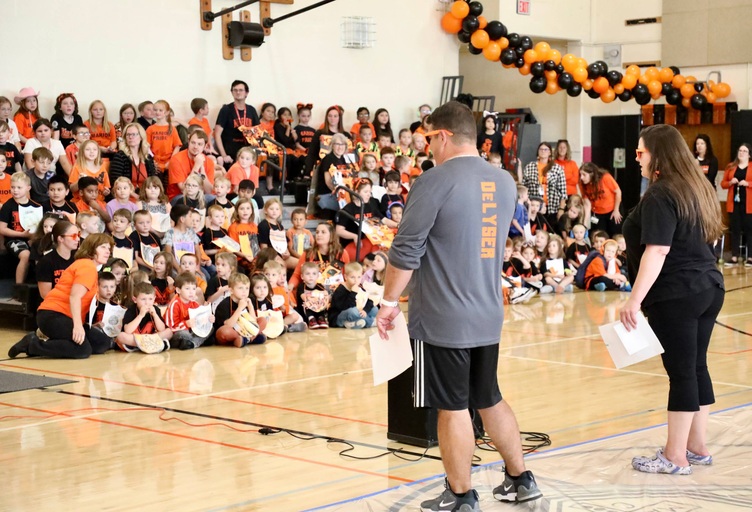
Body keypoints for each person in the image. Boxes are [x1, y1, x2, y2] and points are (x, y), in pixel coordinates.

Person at [376, 101, 542, 510]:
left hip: (445, 316)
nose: (426, 145)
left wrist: (387, 301)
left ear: (444, 136)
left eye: (429, 137)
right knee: (489, 397)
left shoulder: (433, 181)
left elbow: (406, 250)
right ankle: (521, 479)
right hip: (487, 310)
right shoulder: (503, 181)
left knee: (451, 407)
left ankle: (461, 494)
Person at [621, 124, 724, 475]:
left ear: (658, 154)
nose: (637, 157)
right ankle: (696, 447)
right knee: (696, 367)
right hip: (709, 286)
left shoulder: (662, 193)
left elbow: (659, 249)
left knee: (681, 373)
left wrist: (633, 301)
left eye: (641, 151)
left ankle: (675, 456)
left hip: (677, 293)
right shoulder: (696, 188)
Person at [8, 233, 114, 359]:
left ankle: (59, 343)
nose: (107, 251)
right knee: (83, 350)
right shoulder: (87, 267)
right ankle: (32, 344)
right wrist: (79, 326)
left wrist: (86, 324)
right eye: (103, 247)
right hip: (54, 315)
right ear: (91, 248)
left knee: (101, 343)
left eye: (108, 248)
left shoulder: (87, 266)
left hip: (65, 317)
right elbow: (75, 297)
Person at [214, 80, 259, 168]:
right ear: (232, 92)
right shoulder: (226, 109)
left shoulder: (251, 110)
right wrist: (224, 155)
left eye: (241, 90)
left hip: (247, 150)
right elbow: (217, 134)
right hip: (230, 151)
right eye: (235, 90)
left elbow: (257, 132)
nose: (238, 92)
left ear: (246, 93)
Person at [720, 143, 752, 265]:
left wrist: (748, 183)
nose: (741, 153)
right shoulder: (731, 166)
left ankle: (750, 257)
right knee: (735, 229)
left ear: (749, 154)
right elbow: (723, 184)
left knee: (750, 229)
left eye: (744, 151)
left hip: (748, 204)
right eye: (740, 150)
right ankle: (734, 256)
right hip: (734, 203)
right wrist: (730, 182)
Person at [521, 142, 566, 225]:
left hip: (552, 207)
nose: (543, 151)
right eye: (541, 149)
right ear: (538, 151)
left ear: (550, 152)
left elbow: (563, 192)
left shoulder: (557, 168)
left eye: (546, 149)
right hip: (534, 206)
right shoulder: (530, 166)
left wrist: (561, 209)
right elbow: (524, 186)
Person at [109, 123, 157, 197]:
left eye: (134, 134)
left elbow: (153, 180)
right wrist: (136, 197)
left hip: (146, 196)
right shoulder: (120, 156)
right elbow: (116, 182)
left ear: (141, 137)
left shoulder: (148, 157)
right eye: (128, 135)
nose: (131, 137)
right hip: (125, 197)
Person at [36, 219, 78, 298]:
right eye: (74, 236)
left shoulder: (77, 259)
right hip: (53, 306)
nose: (78, 239)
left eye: (78, 235)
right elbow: (45, 295)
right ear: (61, 238)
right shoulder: (46, 262)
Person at [579, 162, 622, 236]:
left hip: (612, 210)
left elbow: (618, 192)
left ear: (592, 174)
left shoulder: (605, 177)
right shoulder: (583, 184)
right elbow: (587, 203)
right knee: (598, 235)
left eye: (584, 175)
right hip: (597, 213)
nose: (581, 177)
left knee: (615, 234)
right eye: (580, 175)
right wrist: (585, 222)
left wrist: (616, 210)